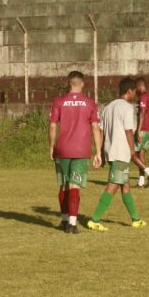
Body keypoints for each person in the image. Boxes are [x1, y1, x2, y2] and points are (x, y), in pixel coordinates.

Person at [87, 78, 149, 231]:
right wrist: (132, 150)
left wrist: (100, 152)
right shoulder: (127, 108)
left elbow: (101, 131)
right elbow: (129, 131)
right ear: (129, 91)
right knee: (113, 185)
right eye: (134, 91)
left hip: (111, 151)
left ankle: (136, 219)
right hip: (121, 152)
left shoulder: (108, 107)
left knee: (125, 186)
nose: (135, 94)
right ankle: (94, 219)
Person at [49, 71, 103, 234]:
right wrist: (98, 152)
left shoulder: (58, 101)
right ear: (82, 84)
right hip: (81, 150)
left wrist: (51, 146)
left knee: (63, 186)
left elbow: (53, 126)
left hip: (62, 149)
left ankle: (65, 221)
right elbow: (95, 128)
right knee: (75, 186)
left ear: (68, 83)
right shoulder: (90, 103)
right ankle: (72, 224)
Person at [134, 77, 149, 188]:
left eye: (136, 88)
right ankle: (141, 182)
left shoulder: (143, 97)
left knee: (132, 154)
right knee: (141, 155)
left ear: (139, 86)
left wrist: (138, 130)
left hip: (143, 129)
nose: (135, 91)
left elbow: (142, 113)